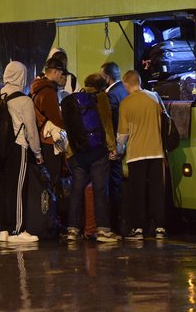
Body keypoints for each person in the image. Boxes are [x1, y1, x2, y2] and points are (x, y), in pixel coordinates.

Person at [0, 61, 44, 243]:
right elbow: (31, 131)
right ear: (22, 76)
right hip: (16, 148)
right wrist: (37, 153)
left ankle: (3, 230)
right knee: (18, 189)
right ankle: (18, 230)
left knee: (1, 189)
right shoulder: (24, 100)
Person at [64, 73, 119, 243]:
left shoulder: (75, 98)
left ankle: (72, 229)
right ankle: (103, 230)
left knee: (77, 190)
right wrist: (112, 147)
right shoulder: (100, 98)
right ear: (102, 86)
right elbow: (106, 123)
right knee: (100, 190)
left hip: (77, 152)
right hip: (97, 152)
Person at [116, 70, 167, 240]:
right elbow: (165, 118)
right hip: (156, 151)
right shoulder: (154, 97)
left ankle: (138, 228)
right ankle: (159, 227)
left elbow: (122, 134)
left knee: (138, 192)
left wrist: (119, 151)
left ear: (126, 84)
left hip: (136, 154)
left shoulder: (125, 103)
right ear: (139, 81)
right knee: (157, 191)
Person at [30, 57, 68, 192]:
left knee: (46, 178)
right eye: (61, 73)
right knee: (52, 177)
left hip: (41, 138)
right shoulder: (48, 91)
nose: (62, 77)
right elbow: (57, 119)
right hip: (49, 141)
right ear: (56, 72)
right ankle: (50, 210)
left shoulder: (37, 87)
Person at [100, 61, 129, 231]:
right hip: (127, 145)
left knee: (113, 185)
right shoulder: (125, 91)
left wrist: (113, 148)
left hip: (116, 146)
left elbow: (110, 123)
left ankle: (114, 223)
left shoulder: (110, 96)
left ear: (107, 78)